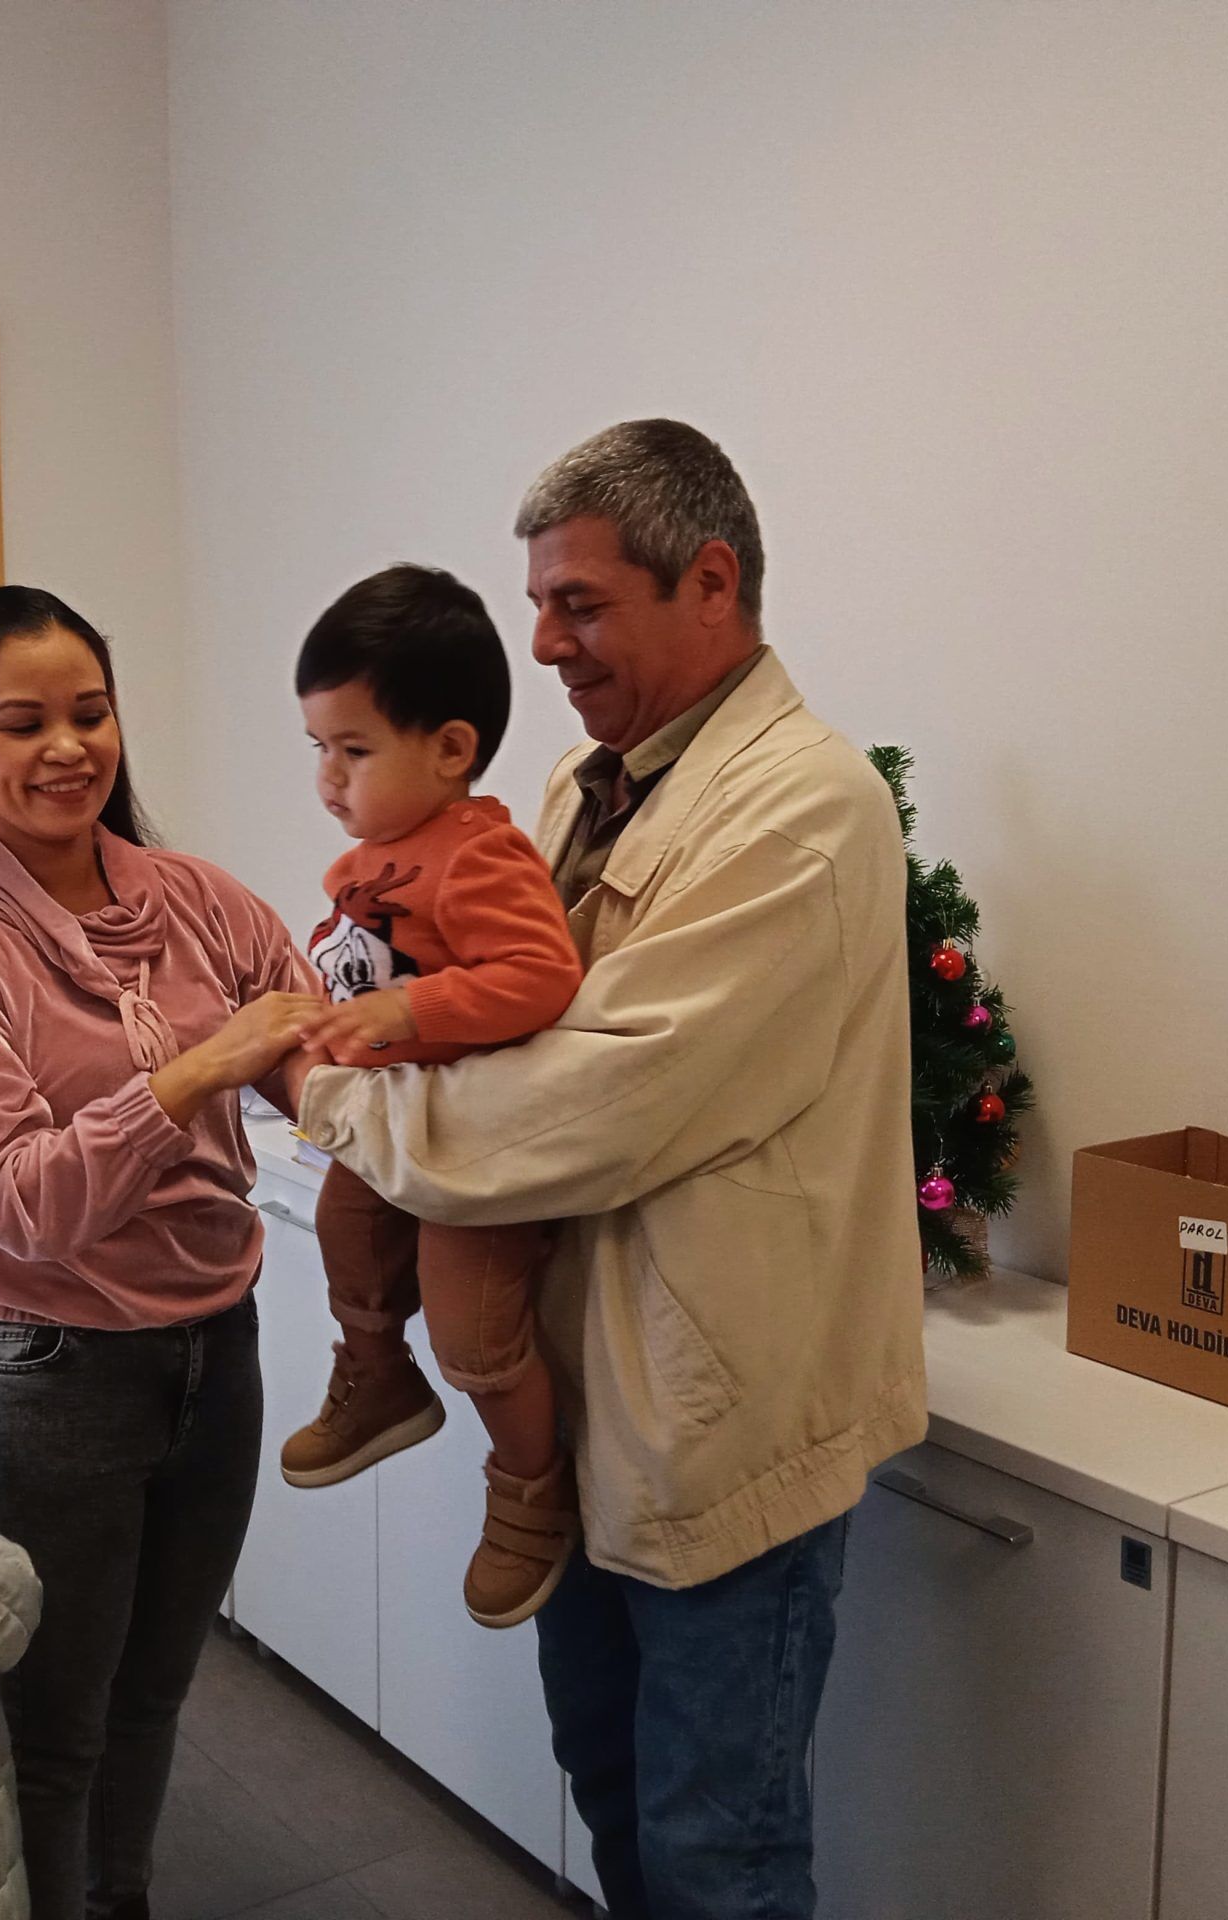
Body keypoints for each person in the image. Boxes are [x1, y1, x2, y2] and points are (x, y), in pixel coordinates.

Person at [288, 422, 925, 1919]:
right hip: (590, 1402)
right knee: (614, 1792)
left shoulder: (805, 809)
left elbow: (593, 1105)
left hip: (718, 1427)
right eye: (538, 603)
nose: (542, 643)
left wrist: (328, 1090)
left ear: (709, 582)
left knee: (718, 1854)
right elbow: (497, 1002)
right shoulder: (591, 780)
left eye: (579, 603)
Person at [0, 585, 323, 1920]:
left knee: (152, 1696)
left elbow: (303, 1034)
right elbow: (21, 1204)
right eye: (24, 723)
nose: (68, 747)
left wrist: (386, 1070)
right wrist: (201, 1069)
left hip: (215, 1352)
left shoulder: (195, 899)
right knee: (47, 1732)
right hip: (48, 1377)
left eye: (91, 712)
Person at [275, 564, 586, 1629]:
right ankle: (375, 1374)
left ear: (451, 749)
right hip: (389, 1127)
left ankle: (530, 1486)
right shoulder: (373, 860)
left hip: (471, 1148)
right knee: (343, 1232)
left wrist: (405, 1012)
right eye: (318, 747)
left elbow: (540, 975)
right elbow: (363, 968)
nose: (328, 778)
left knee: (476, 1337)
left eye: (354, 751)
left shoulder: (479, 856)